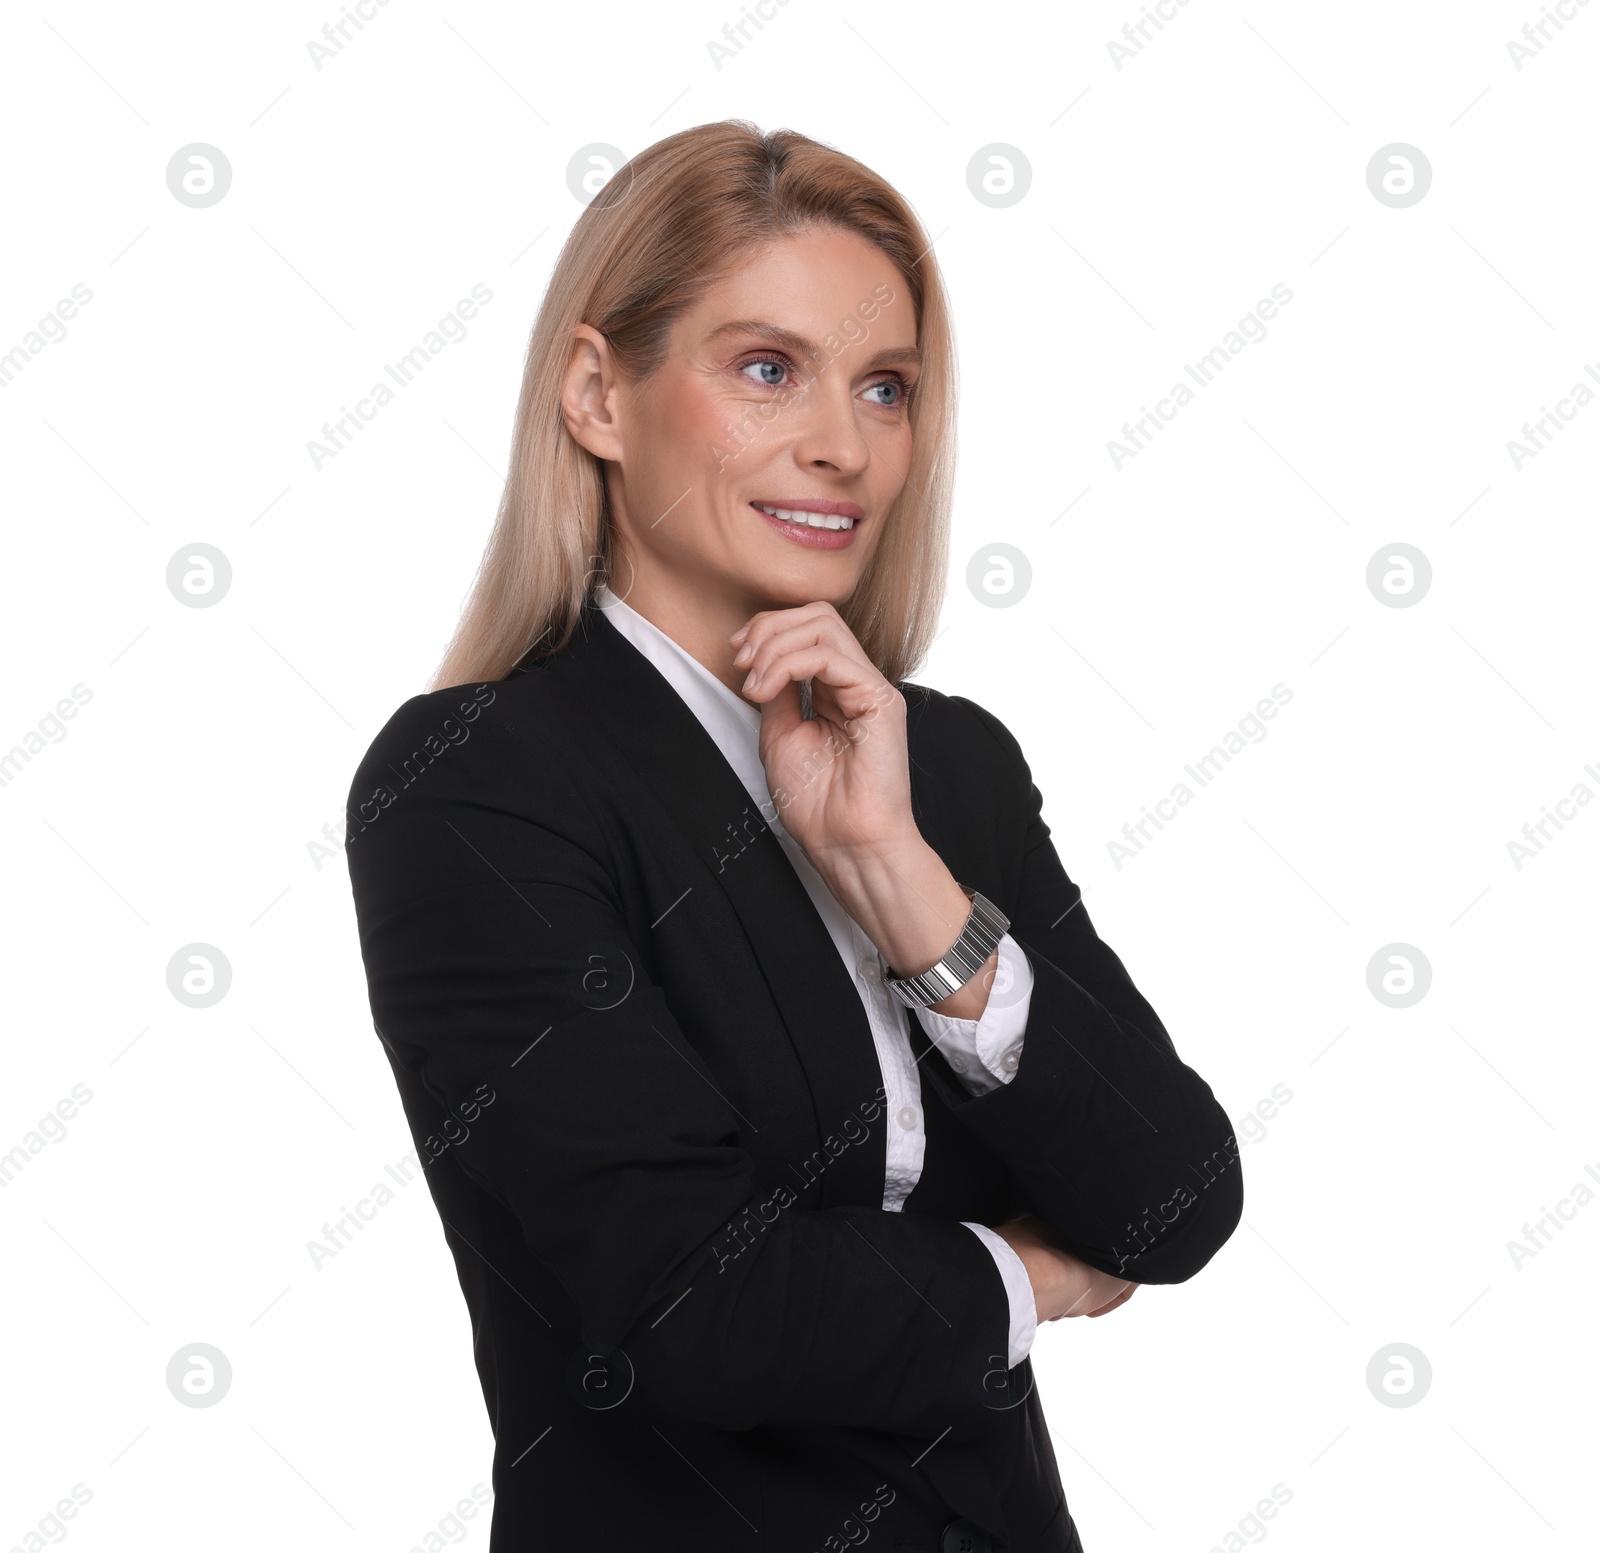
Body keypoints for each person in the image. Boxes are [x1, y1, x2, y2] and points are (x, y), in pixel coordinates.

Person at [345, 119, 1242, 1553]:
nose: (844, 444)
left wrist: (902, 880)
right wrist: (1028, 1275)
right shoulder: (478, 782)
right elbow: (697, 1312)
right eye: (768, 370)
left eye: (886, 386)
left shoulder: (944, 763)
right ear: (597, 394)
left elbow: (1178, 1195)